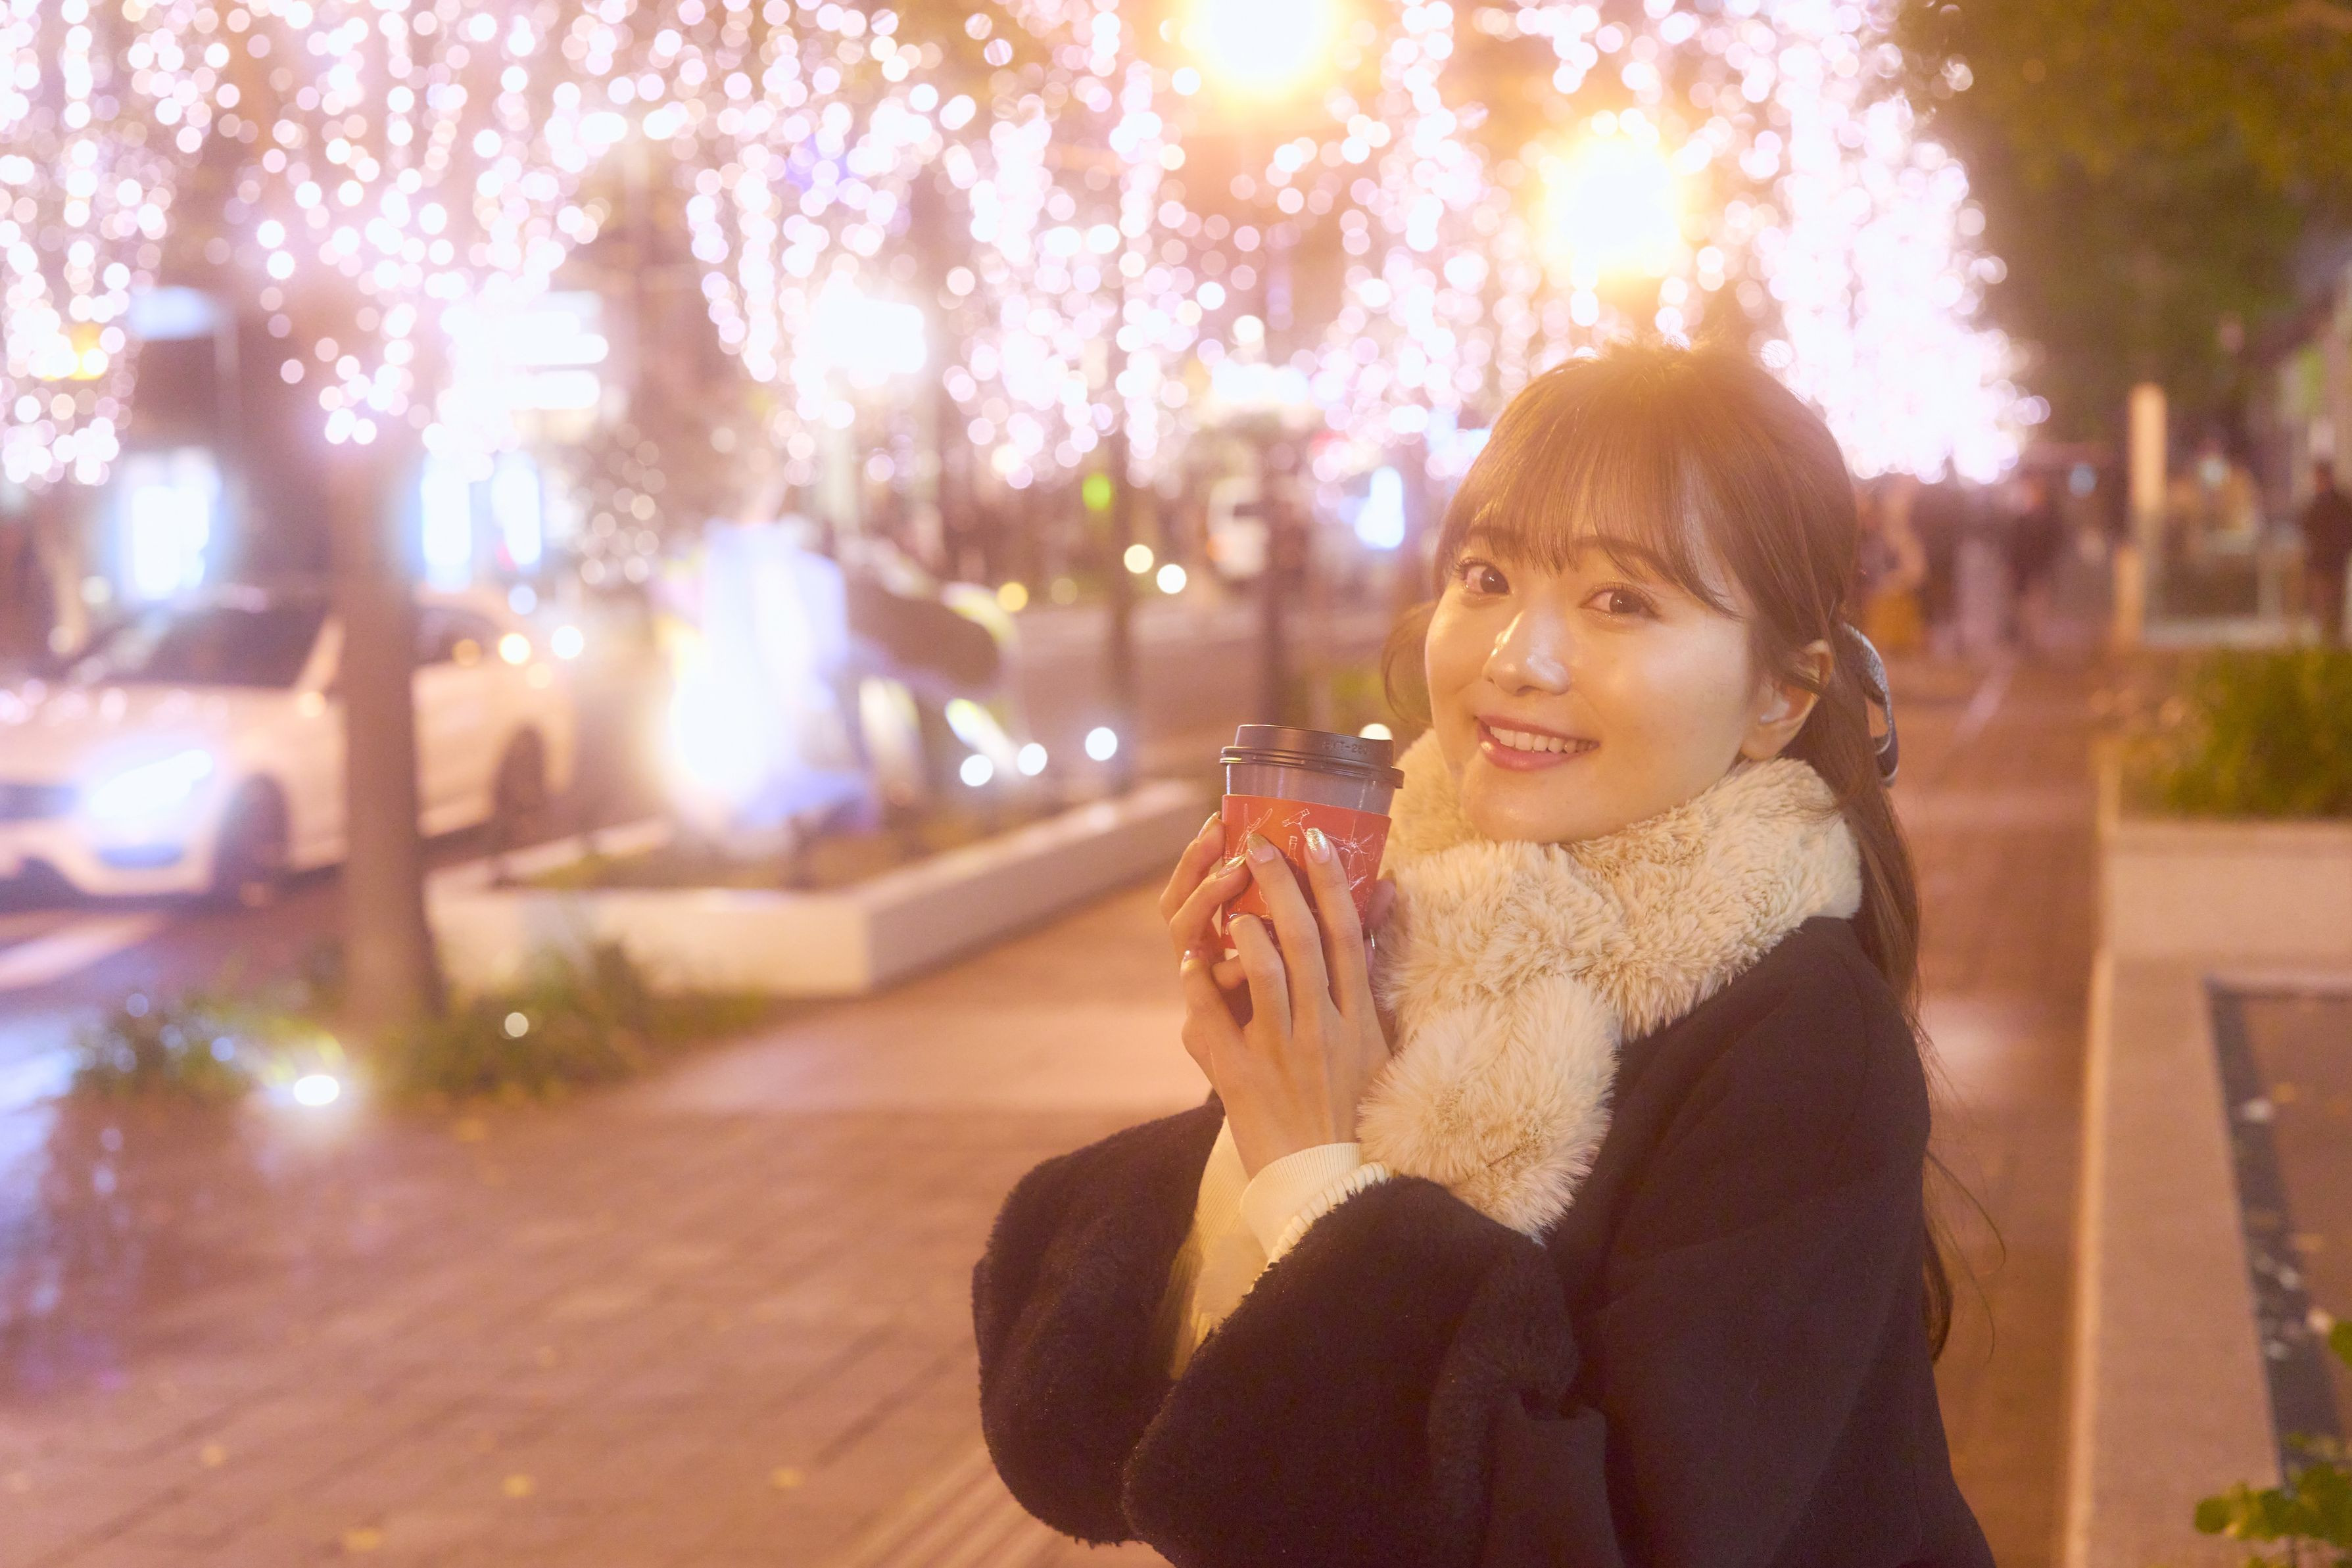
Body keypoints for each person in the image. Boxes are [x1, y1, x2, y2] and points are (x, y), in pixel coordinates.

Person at [971, 343, 1992, 1568]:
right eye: (1486, 575)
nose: (1516, 657)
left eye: (1621, 601)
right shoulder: (1413, 929)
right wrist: (1256, 1100)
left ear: (1779, 695)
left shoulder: (1806, 1041)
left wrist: (1315, 1175)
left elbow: (1616, 1539)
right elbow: (1086, 1446)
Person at [2299, 459, 2352, 645]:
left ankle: (2333, 640)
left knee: (2334, 603)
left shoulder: (2341, 503)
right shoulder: (2316, 504)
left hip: (2334, 561)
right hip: (2321, 563)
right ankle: (2328, 639)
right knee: (2323, 604)